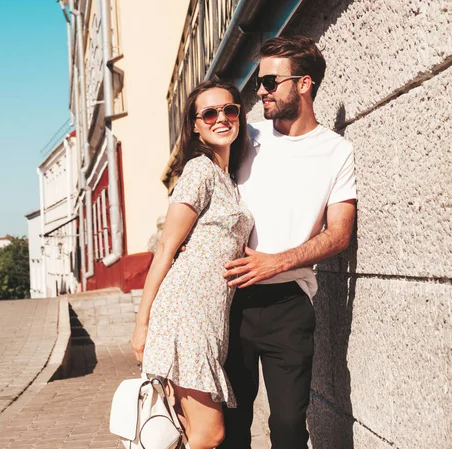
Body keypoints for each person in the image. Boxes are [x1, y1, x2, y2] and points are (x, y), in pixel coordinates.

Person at [217, 36, 357, 449]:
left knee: (290, 428)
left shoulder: (336, 151)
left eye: (270, 81)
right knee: (231, 425)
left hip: (289, 306)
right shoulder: (246, 137)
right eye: (260, 81)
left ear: (304, 84)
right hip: (231, 300)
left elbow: (340, 233)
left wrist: (276, 262)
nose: (260, 90)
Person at [131, 80, 254, 449]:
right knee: (209, 433)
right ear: (195, 125)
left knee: (186, 432)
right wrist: (143, 323)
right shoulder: (199, 171)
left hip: (210, 315)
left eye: (230, 110)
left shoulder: (229, 179)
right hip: (187, 311)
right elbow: (167, 247)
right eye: (210, 113)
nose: (221, 119)